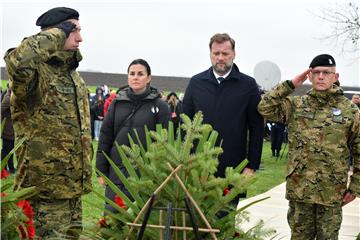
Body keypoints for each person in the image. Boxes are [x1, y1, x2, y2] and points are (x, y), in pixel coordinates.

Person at [3, 7, 93, 239]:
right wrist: (57, 32)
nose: (80, 38)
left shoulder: (72, 74)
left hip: (72, 188)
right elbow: (17, 61)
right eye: (74, 31)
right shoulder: (36, 74)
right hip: (43, 191)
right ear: (55, 33)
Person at [258, 54, 359, 239]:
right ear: (309, 76)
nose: (321, 76)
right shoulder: (296, 105)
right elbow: (265, 108)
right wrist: (290, 84)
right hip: (300, 190)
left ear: (335, 77)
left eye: (326, 73)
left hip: (331, 193)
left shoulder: (350, 111)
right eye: (316, 72)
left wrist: (355, 188)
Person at [182, 33, 264, 180]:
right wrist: (182, 160)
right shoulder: (196, 83)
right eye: (216, 53)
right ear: (210, 54)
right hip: (197, 166)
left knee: (230, 203)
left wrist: (252, 165)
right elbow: (184, 124)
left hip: (233, 167)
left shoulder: (248, 85)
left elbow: (256, 128)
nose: (220, 58)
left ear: (233, 54)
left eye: (225, 53)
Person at [96, 59, 171, 213]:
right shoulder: (117, 103)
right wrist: (101, 170)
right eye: (132, 74)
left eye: (140, 74)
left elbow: (166, 142)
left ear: (149, 78)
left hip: (145, 174)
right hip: (117, 171)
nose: (135, 77)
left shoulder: (160, 106)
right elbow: (105, 137)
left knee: (142, 219)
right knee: (113, 216)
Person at [1, 85, 15, 174]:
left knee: (11, 149)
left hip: (11, 129)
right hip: (7, 129)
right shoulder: (7, 98)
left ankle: (11, 168)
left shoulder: (11, 96)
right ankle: (3, 169)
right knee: (6, 150)